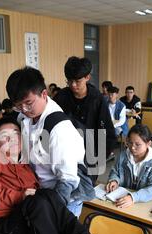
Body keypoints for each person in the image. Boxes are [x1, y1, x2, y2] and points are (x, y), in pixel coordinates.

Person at [6, 67, 94, 218]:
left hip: (63, 195)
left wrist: (50, 209)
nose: (24, 110)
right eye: (18, 106)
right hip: (39, 188)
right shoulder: (24, 116)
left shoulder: (59, 129)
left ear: (44, 94)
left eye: (28, 103)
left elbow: (68, 179)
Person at [54, 57, 116, 182]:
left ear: (87, 77)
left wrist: (100, 159)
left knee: (85, 189)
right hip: (65, 153)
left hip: (90, 153)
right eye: (69, 81)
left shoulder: (97, 99)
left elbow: (107, 132)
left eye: (77, 81)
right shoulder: (61, 97)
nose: (73, 85)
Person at [106, 124, 152, 208]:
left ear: (148, 143)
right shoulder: (124, 155)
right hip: (124, 199)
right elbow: (115, 171)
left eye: (137, 144)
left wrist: (133, 197)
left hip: (146, 203)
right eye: (130, 143)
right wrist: (114, 180)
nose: (132, 147)